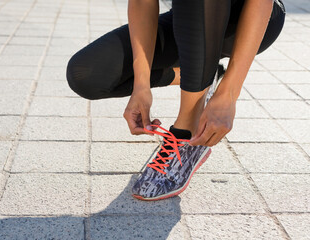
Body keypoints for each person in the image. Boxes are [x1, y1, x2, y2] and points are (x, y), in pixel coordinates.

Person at [66, 0, 285, 201]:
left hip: (251, 20)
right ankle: (206, 76)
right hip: (190, 21)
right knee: (86, 74)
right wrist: (141, 85)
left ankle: (185, 135)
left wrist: (229, 94)